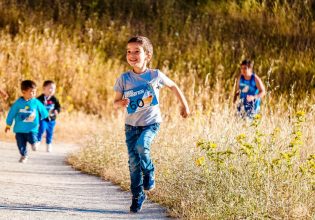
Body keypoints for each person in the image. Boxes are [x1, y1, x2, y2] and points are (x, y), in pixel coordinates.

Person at [113, 36, 190, 213]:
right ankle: (137, 195)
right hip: (131, 126)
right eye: (128, 52)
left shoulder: (155, 75)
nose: (132, 55)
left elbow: (173, 86)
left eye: (136, 51)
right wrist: (121, 103)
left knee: (142, 146)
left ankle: (149, 171)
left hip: (151, 123)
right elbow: (115, 102)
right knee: (133, 163)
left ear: (147, 55)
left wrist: (184, 105)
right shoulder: (124, 79)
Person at [5, 80, 49, 163]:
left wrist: (46, 117)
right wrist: (8, 125)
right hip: (19, 129)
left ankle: (34, 143)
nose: (34, 94)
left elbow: (43, 110)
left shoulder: (36, 102)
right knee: (20, 144)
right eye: (31, 92)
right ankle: (24, 155)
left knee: (32, 139)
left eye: (35, 92)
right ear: (24, 92)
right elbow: (11, 114)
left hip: (31, 128)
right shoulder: (18, 103)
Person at [37, 80, 61, 152]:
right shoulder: (40, 98)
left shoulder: (54, 99)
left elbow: (58, 107)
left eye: (53, 89)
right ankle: (37, 142)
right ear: (44, 88)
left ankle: (48, 144)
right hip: (43, 118)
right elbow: (35, 106)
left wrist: (57, 110)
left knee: (50, 132)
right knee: (41, 129)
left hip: (51, 119)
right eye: (50, 88)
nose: (52, 90)